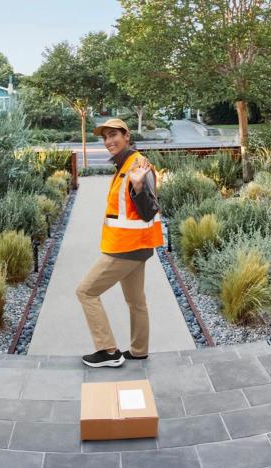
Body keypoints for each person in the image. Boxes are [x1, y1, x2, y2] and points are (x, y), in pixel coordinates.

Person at [75, 118, 164, 368]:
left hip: (126, 248)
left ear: (127, 136)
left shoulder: (139, 165)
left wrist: (138, 187)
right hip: (135, 246)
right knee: (136, 301)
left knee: (85, 291)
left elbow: (149, 210)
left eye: (114, 135)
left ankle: (108, 351)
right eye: (105, 137)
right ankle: (139, 351)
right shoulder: (124, 164)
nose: (108, 141)